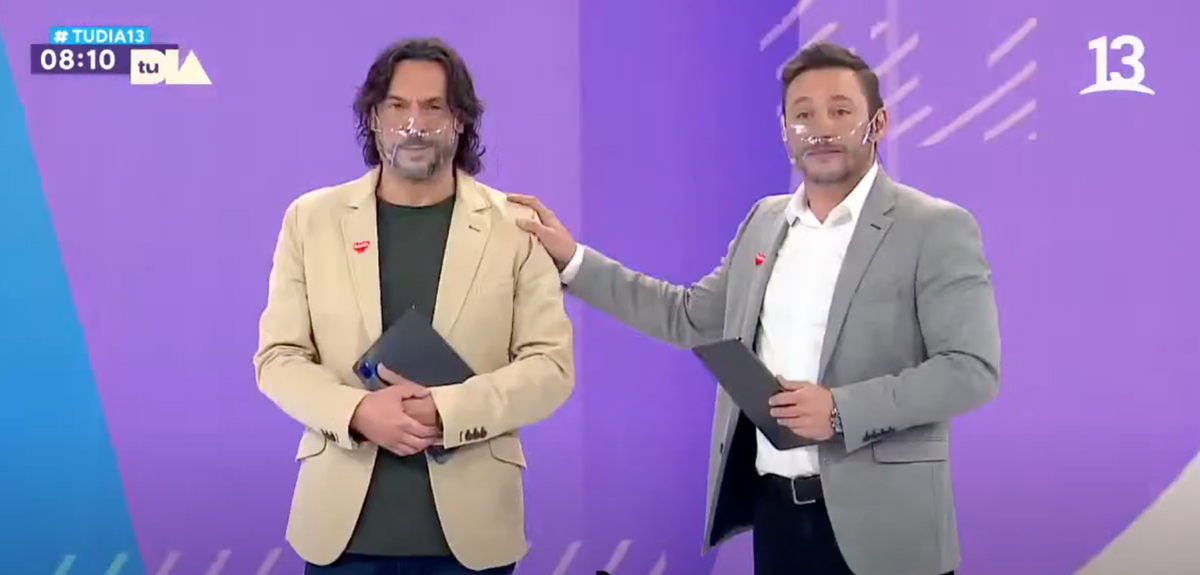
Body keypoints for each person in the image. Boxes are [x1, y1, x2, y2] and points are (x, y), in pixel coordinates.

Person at [509, 41, 999, 575]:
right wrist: (573, 261)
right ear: (785, 130)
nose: (821, 128)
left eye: (840, 111)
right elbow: (688, 317)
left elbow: (970, 370)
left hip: (891, 531)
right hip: (778, 518)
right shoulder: (765, 221)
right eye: (803, 115)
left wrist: (839, 410)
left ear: (877, 124)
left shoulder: (934, 227)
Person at [253, 37, 575, 575]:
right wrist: (357, 413)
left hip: (472, 539)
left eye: (433, 107)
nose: (413, 124)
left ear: (460, 121)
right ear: (373, 118)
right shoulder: (311, 220)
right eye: (397, 106)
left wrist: (448, 412)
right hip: (341, 535)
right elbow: (278, 359)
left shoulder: (517, 229)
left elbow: (551, 367)